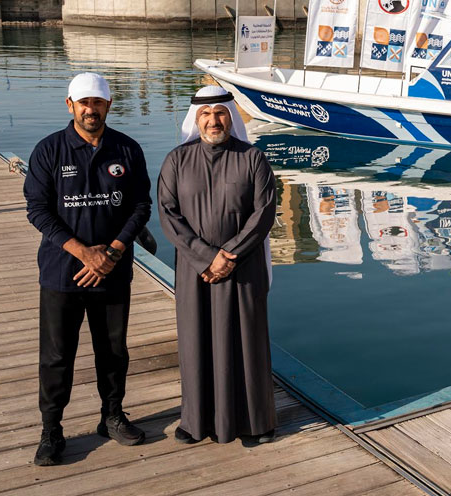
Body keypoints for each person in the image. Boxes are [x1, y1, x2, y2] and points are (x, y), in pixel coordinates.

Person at [24, 72, 151, 466]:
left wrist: (110, 254)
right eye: (83, 103)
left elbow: (141, 207)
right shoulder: (49, 151)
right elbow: (38, 210)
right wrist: (82, 252)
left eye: (97, 102)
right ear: (70, 105)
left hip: (113, 270)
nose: (90, 109)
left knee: (112, 350)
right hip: (62, 273)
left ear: (108, 105)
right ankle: (51, 429)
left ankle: (111, 416)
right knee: (56, 355)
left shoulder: (127, 150)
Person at [158, 85, 279, 447]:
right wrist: (206, 256)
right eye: (206, 115)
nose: (214, 121)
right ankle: (196, 421)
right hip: (197, 271)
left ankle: (254, 423)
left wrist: (229, 254)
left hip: (243, 269)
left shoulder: (253, 158)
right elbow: (168, 213)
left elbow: (264, 213)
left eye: (221, 113)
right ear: (196, 120)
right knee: (196, 341)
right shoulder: (177, 160)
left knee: (247, 342)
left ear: (232, 116)